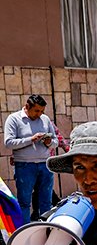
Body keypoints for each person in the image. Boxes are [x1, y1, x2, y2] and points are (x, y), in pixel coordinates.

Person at [4, 94, 61, 223]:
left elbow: (56, 142)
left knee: (46, 201)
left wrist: (49, 142)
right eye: (36, 111)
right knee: (24, 203)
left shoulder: (45, 119)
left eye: (42, 111)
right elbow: (8, 143)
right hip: (25, 166)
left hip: (45, 165)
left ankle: (46, 229)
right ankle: (24, 231)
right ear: (27, 106)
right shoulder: (14, 119)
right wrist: (31, 139)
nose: (39, 114)